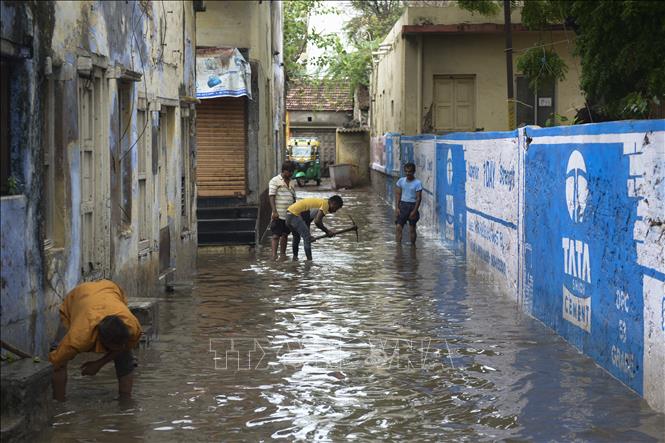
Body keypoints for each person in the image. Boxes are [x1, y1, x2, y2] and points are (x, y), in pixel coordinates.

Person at [49, 280, 142, 401]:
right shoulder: (77, 338)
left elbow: (124, 347)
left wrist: (99, 364)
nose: (120, 347)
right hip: (79, 296)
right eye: (114, 346)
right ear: (101, 340)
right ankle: (59, 403)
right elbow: (55, 364)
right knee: (59, 360)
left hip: (109, 289)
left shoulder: (132, 326)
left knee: (125, 357)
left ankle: (126, 400)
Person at [285, 195, 343, 260]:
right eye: (336, 208)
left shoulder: (318, 204)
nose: (335, 211)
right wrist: (327, 231)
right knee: (306, 238)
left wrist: (309, 235)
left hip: (288, 214)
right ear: (333, 203)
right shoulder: (325, 204)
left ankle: (295, 258)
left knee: (296, 236)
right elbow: (317, 221)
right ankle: (309, 261)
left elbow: (307, 221)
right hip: (294, 215)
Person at [268, 161, 296, 260]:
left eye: (292, 171)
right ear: (284, 171)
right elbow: (271, 196)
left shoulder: (292, 182)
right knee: (276, 235)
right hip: (278, 214)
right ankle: (274, 255)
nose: (291, 173)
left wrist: (295, 211)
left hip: (289, 214)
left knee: (285, 235)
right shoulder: (274, 181)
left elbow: (294, 197)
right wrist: (274, 211)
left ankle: (283, 255)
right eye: (290, 171)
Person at [395, 162, 422, 245]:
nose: (408, 173)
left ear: (413, 172)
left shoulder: (417, 183)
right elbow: (398, 194)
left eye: (409, 171)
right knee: (398, 227)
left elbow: (418, 198)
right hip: (403, 206)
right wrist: (397, 207)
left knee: (412, 229)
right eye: (406, 171)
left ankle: (413, 248)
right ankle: (398, 248)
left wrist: (414, 211)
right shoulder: (401, 181)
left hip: (412, 206)